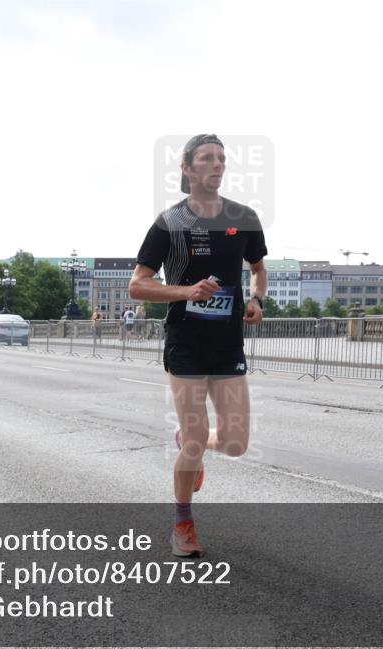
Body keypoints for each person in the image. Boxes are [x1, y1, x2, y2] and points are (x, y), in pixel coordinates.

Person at [129, 134, 267, 557]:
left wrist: (257, 298)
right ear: (187, 169)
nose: (217, 164)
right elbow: (138, 285)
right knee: (194, 440)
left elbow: (259, 269)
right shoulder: (170, 222)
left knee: (235, 442)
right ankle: (183, 524)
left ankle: (189, 439)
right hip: (185, 343)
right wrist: (186, 292)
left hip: (227, 345)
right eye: (207, 158)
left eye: (222, 158)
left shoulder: (244, 217)